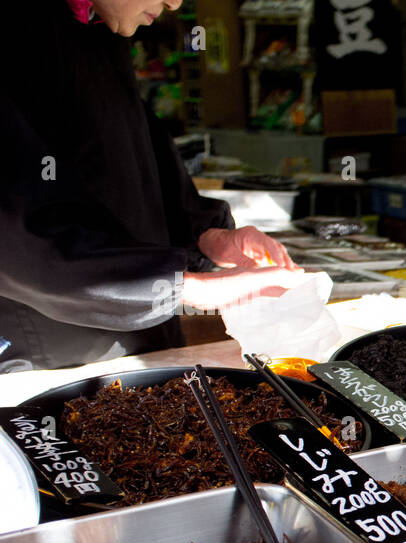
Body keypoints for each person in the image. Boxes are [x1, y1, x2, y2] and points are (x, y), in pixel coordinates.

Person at [0, 1, 301, 372]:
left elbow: (137, 158)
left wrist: (204, 235)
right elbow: (14, 235)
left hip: (144, 338)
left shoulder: (103, 28)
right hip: (46, 353)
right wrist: (188, 287)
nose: (174, 2)